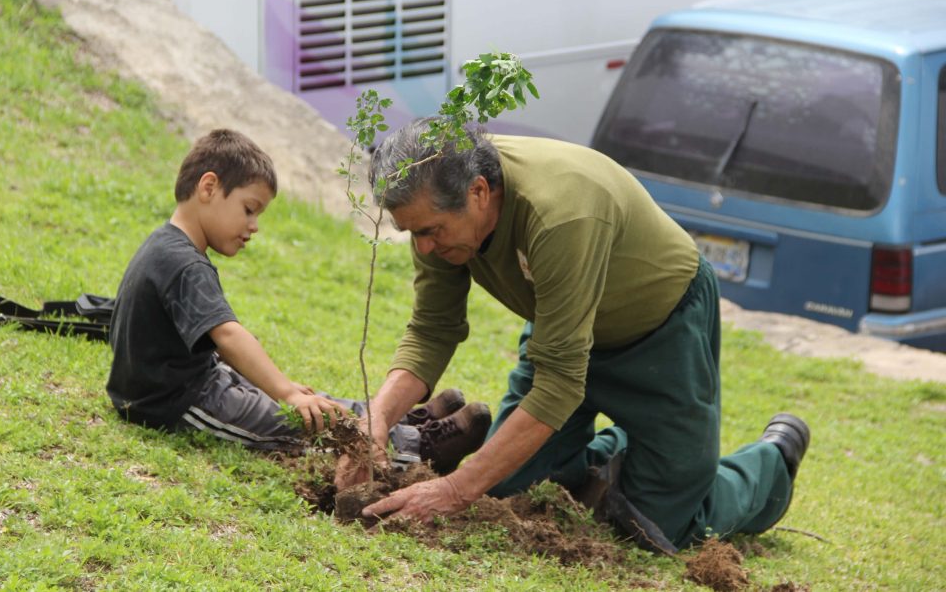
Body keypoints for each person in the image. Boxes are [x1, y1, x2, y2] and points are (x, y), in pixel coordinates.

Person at [335, 118, 811, 552]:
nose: (423, 247)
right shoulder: (436, 211)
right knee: (507, 488)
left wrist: (455, 489)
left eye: (431, 231)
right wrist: (375, 422)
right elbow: (432, 329)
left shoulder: (558, 213)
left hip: (660, 332)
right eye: (411, 233)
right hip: (561, 332)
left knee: (660, 526)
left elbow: (559, 385)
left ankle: (769, 464)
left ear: (479, 192)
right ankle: (621, 455)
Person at [107, 128, 488, 463]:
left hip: (201, 378)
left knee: (313, 404)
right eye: (249, 210)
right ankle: (418, 446)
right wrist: (287, 392)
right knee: (294, 422)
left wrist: (288, 390)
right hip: (175, 402)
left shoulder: (168, 246)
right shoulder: (184, 263)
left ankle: (398, 418)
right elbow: (228, 335)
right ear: (208, 188)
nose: (254, 226)